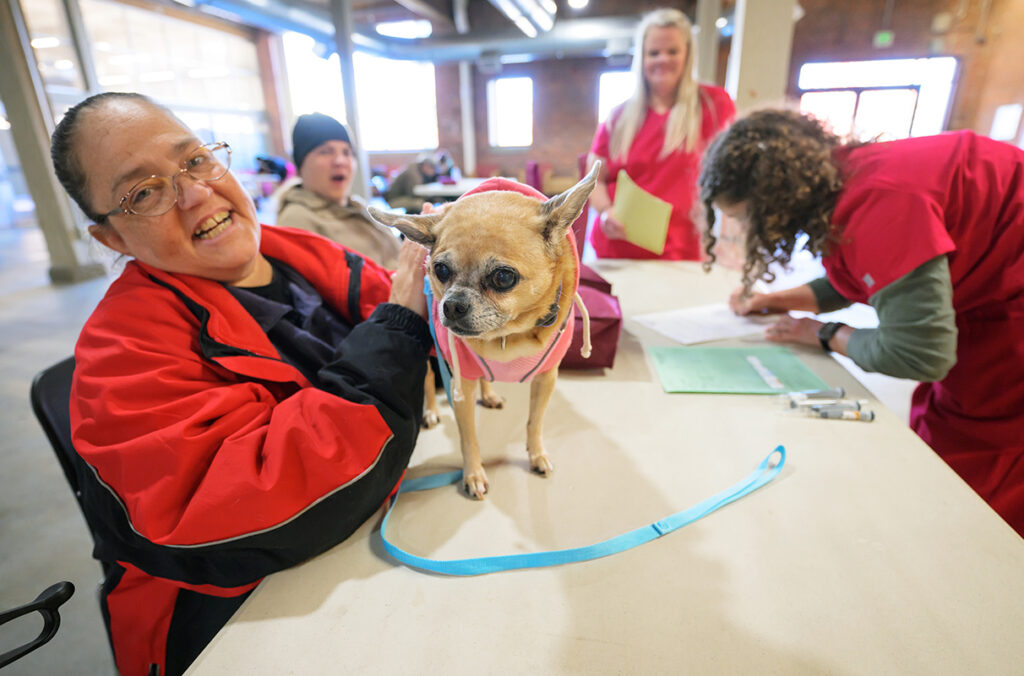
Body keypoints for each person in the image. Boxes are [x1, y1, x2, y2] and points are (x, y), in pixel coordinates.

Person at [49, 92, 433, 675]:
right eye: (144, 192)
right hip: (233, 624)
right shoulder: (120, 356)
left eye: (196, 160)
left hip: (371, 549)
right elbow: (266, 498)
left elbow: (436, 328)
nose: (196, 193)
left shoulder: (301, 256)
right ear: (113, 240)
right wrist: (400, 331)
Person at [699, 108, 1024, 537]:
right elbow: (873, 267)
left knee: (977, 463)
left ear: (772, 199)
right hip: (994, 281)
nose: (742, 227)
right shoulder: (843, 179)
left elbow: (921, 353)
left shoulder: (879, 205)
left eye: (742, 216)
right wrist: (781, 300)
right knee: (939, 428)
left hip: (1008, 308)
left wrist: (823, 333)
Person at [586, 7, 735, 260]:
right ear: (642, 57)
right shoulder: (619, 116)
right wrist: (605, 212)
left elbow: (734, 174)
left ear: (687, 55)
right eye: (653, 52)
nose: (662, 59)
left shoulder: (713, 105)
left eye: (672, 51)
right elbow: (594, 179)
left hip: (682, 252)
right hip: (617, 251)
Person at [276, 112, 402, 269]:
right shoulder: (297, 221)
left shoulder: (357, 206)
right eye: (325, 151)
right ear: (301, 164)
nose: (340, 161)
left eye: (347, 152)